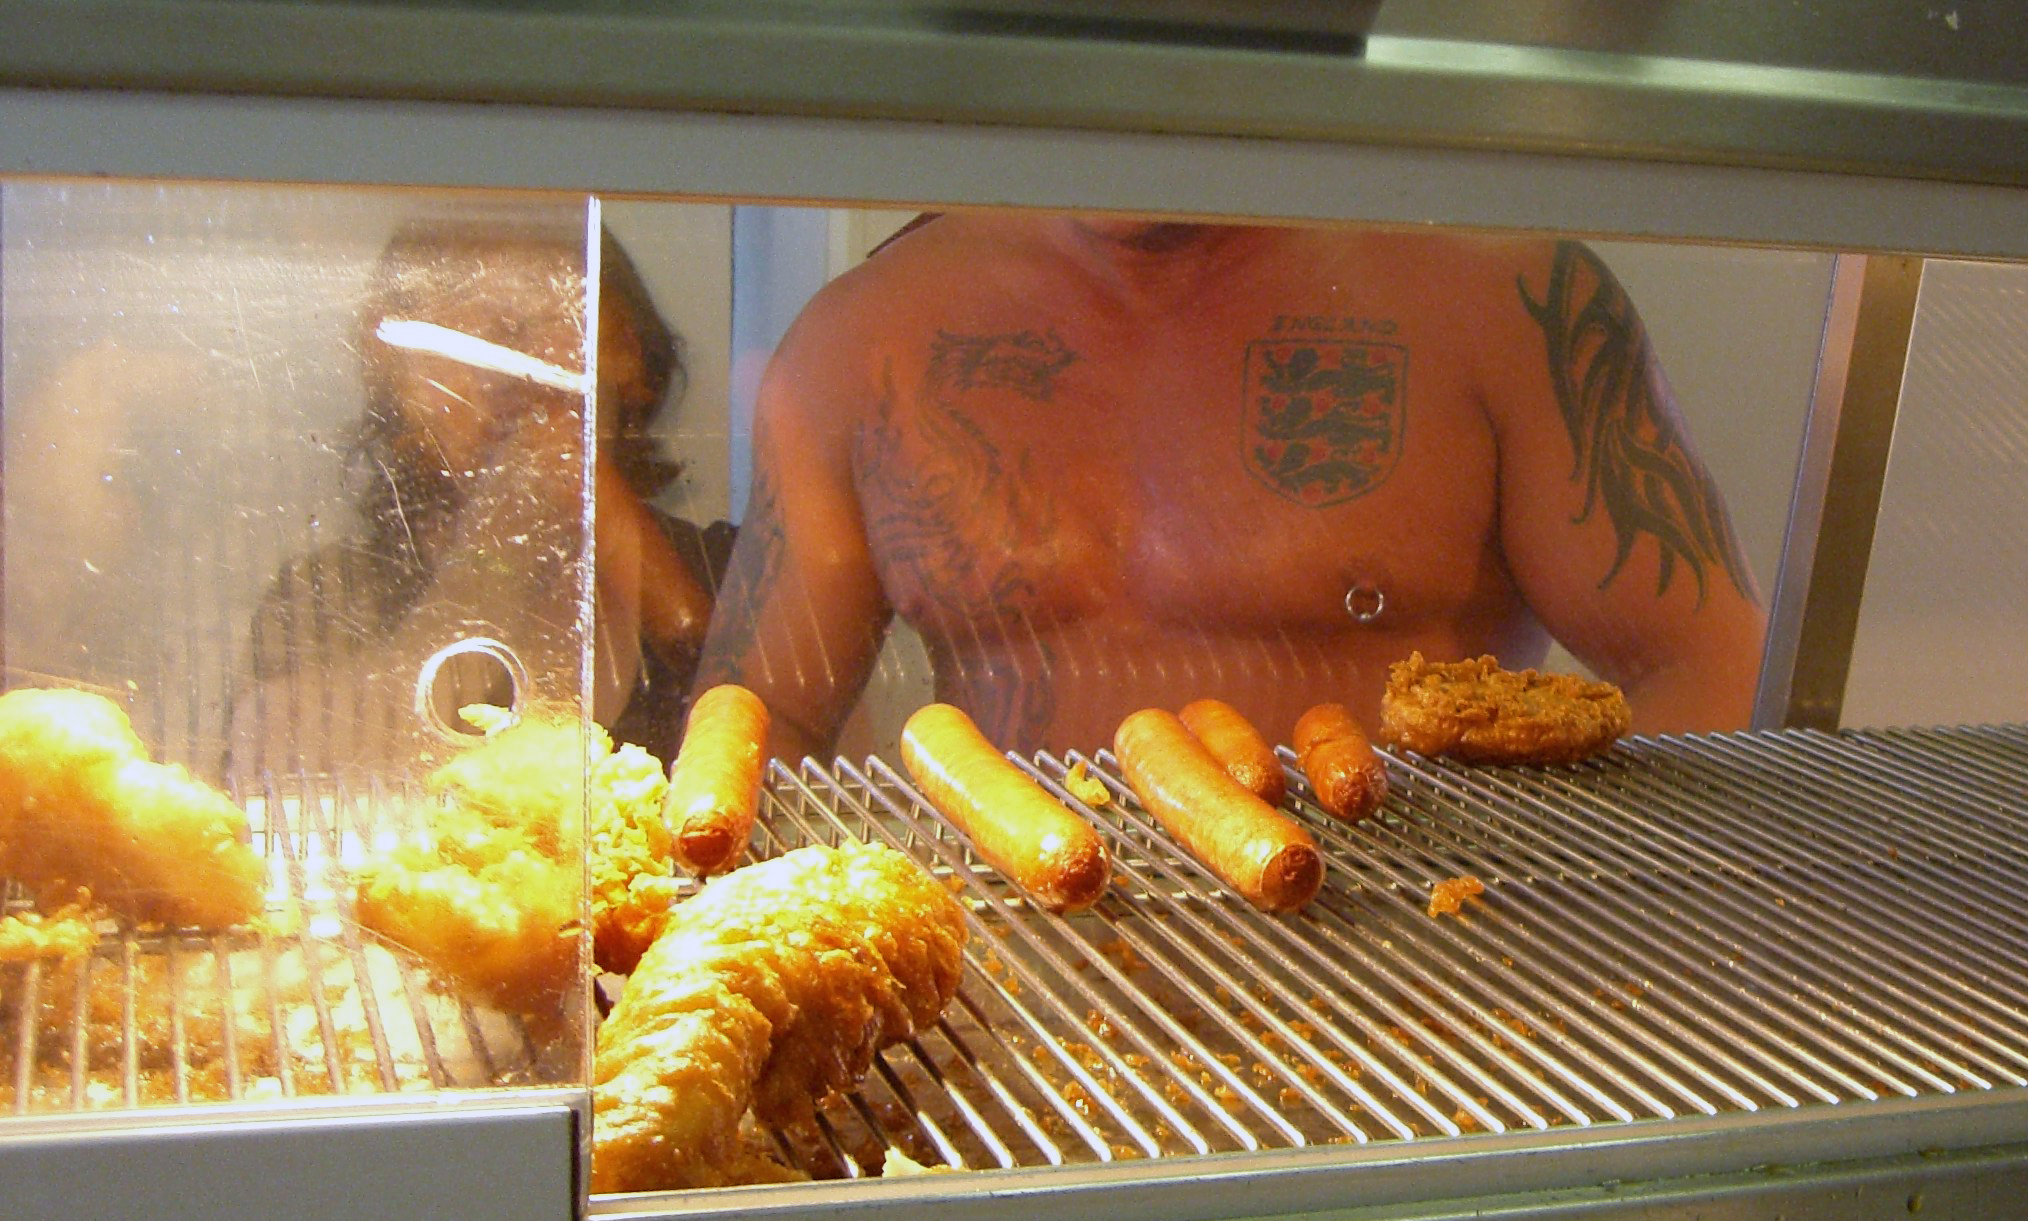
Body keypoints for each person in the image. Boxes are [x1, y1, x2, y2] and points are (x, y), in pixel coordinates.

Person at [696, 212, 1765, 761]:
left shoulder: (1497, 293)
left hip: (1413, 1028)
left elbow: (1717, 667)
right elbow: (757, 726)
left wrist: (1552, 935)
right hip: (1015, 1027)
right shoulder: (867, 332)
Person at [243, 224, 727, 771]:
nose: (502, 369)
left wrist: (600, 508)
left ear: (629, 359)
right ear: (397, 395)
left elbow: (754, 719)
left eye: (535, 322)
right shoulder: (325, 597)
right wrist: (501, 540)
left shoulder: (731, 570)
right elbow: (333, 784)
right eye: (457, 329)